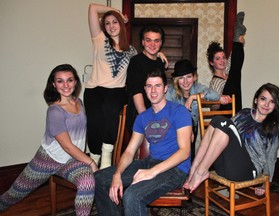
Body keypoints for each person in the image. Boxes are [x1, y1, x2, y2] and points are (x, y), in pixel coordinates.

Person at [0, 64, 97, 215]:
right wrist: (91, 162)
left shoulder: (79, 102)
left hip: (71, 160)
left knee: (87, 181)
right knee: (12, 195)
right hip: (48, 159)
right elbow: (67, 146)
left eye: (70, 80)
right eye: (60, 81)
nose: (66, 85)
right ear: (53, 84)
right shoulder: (55, 111)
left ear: (76, 81)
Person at [94, 68, 192, 216]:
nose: (153, 90)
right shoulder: (142, 117)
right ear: (145, 89)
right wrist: (117, 174)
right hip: (151, 162)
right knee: (99, 179)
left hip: (176, 169)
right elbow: (129, 151)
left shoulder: (179, 111)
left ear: (165, 88)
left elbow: (184, 152)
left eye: (158, 85)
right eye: (149, 86)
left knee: (132, 195)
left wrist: (152, 172)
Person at [183, 83, 279, 196]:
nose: (266, 104)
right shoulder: (244, 113)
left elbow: (271, 158)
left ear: (276, 105)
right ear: (256, 100)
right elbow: (223, 132)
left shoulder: (274, 128)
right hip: (224, 166)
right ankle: (194, 169)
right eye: (263, 99)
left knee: (222, 122)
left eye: (272, 101)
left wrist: (265, 184)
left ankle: (200, 172)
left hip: (246, 171)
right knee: (218, 121)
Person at [84, 3, 137, 169]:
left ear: (121, 25)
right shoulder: (99, 39)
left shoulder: (131, 50)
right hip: (94, 90)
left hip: (116, 91)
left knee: (109, 110)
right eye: (107, 23)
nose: (111, 26)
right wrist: (118, 13)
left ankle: (106, 153)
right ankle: (94, 158)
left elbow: (144, 60)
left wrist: (158, 54)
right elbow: (92, 7)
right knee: (94, 122)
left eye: (115, 22)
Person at [166, 59, 230, 159]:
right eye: (181, 78)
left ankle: (188, 167)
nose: (186, 81)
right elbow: (166, 115)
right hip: (174, 129)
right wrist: (185, 128)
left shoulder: (197, 88)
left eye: (189, 77)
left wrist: (194, 97)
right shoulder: (170, 92)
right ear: (176, 80)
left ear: (194, 77)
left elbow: (214, 95)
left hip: (192, 129)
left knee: (189, 154)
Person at [126, 24, 167, 134]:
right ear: (143, 42)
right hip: (139, 115)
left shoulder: (160, 62)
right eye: (148, 40)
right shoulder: (136, 62)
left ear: (161, 42)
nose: (153, 44)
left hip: (157, 115)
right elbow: (136, 91)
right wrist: (146, 119)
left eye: (156, 41)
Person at [208, 12, 246, 112]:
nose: (222, 61)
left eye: (223, 57)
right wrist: (220, 98)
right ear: (211, 63)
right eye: (217, 59)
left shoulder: (228, 71)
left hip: (236, 111)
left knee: (235, 68)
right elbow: (213, 108)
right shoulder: (215, 82)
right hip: (225, 117)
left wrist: (239, 43)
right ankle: (236, 37)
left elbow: (234, 59)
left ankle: (237, 37)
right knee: (234, 72)